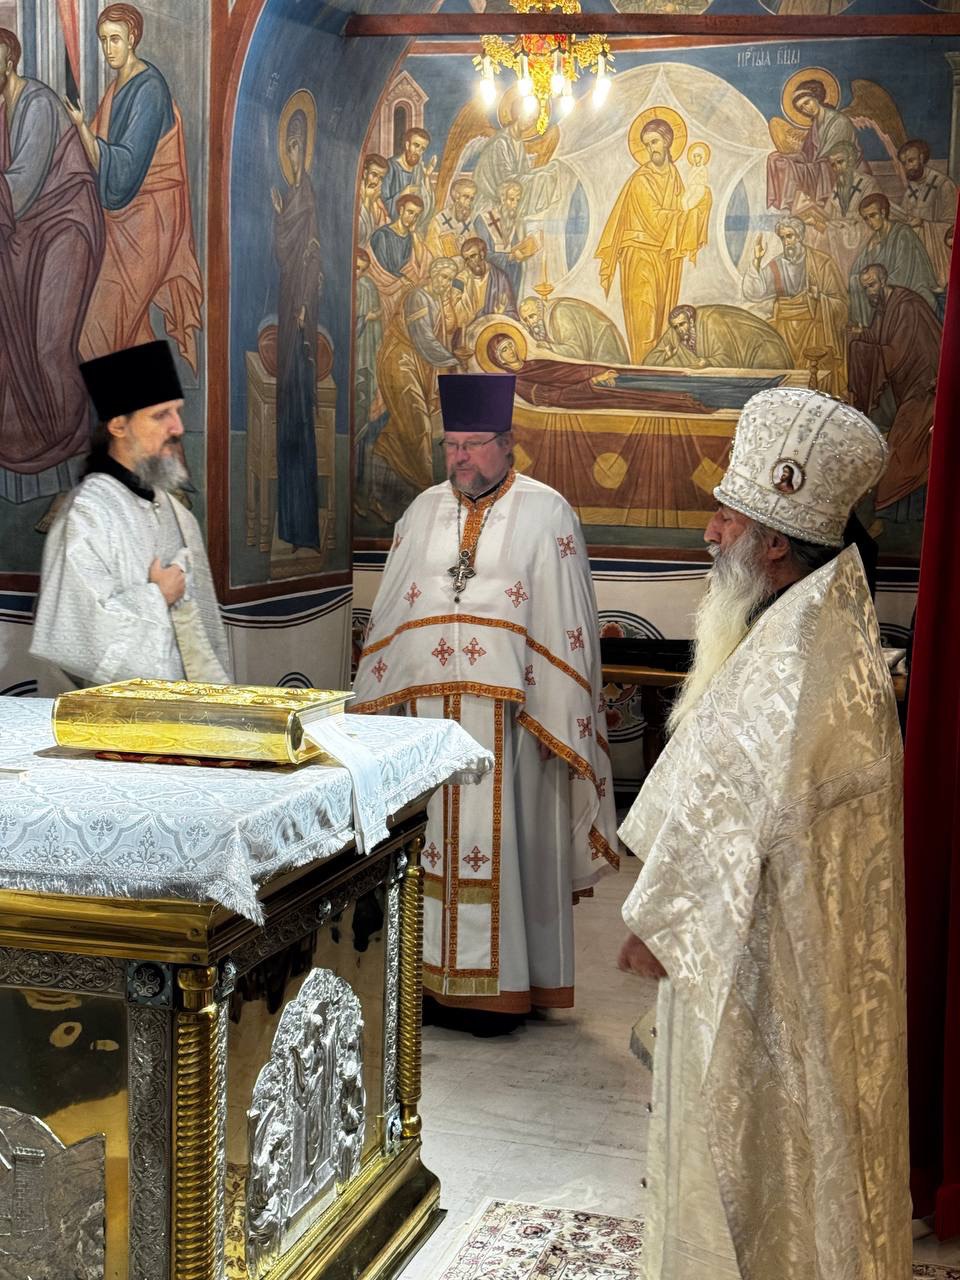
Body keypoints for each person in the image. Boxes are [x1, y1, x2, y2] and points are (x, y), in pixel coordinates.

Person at [617, 386, 910, 1279]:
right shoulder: (826, 621)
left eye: (726, 516)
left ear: (773, 540)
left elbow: (739, 806)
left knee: (755, 1166)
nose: (711, 533)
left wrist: (658, 923)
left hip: (760, 970)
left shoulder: (790, 662)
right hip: (793, 947)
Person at [353, 373, 619, 1029]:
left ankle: (500, 991)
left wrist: (555, 707)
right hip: (426, 723)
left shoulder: (547, 513)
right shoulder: (421, 511)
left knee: (502, 845)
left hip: (512, 723)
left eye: (472, 445)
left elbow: (566, 621)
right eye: (451, 446)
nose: (460, 458)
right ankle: (425, 984)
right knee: (426, 845)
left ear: (507, 442)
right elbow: (393, 610)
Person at [31, 340, 232, 687]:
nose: (178, 428)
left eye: (177, 412)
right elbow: (73, 635)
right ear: (118, 426)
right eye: (161, 415)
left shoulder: (174, 510)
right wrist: (158, 596)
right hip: (112, 714)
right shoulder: (87, 514)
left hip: (180, 707)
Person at [0, 26, 104, 504]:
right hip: (25, 236)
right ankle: (41, 470)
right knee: (12, 347)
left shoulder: (37, 104)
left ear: (10, 61)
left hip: (64, 230)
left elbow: (20, 187)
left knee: (49, 347)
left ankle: (80, 471)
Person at [72, 3, 202, 374]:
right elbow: (97, 160)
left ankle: (132, 407)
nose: (108, 48)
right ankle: (152, 410)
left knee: (100, 327)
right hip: (122, 220)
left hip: (149, 221)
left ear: (133, 39)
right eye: (103, 40)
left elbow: (125, 171)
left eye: (115, 39)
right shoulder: (116, 89)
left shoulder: (149, 88)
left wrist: (83, 131)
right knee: (126, 328)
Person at [597, 117, 707, 362]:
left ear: (667, 141)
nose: (651, 149)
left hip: (664, 257)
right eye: (647, 144)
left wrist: (700, 206)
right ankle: (642, 365)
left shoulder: (675, 176)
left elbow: (682, 208)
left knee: (663, 320)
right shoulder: (641, 179)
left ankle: (658, 366)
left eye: (655, 142)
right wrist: (690, 216)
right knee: (645, 318)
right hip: (640, 256)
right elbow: (656, 220)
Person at [848, 262, 942, 515]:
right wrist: (859, 336)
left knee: (903, 448)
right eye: (865, 288)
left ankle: (890, 513)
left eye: (872, 285)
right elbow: (879, 338)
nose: (869, 292)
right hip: (910, 386)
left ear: (884, 280)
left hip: (926, 389)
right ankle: (899, 514)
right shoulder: (884, 307)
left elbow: (896, 354)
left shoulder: (906, 306)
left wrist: (861, 350)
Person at [272, 106, 323, 551]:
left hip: (299, 311)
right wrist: (278, 214)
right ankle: (289, 525)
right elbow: (284, 253)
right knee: (287, 413)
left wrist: (305, 304)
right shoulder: (291, 194)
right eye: (288, 146)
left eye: (296, 146)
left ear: (304, 150)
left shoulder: (305, 195)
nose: (291, 153)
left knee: (298, 414)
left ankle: (302, 526)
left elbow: (310, 255)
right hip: (288, 304)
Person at [742, 216, 847, 393]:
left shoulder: (822, 263)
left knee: (817, 383)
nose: (786, 242)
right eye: (782, 238)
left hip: (814, 332)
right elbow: (754, 293)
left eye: (789, 236)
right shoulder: (776, 265)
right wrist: (757, 261)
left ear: (800, 236)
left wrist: (819, 297)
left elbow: (842, 305)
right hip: (785, 332)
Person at [766, 77, 862, 213]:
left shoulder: (839, 121)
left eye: (807, 102)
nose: (806, 108)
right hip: (819, 167)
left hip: (836, 168)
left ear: (816, 98)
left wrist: (806, 164)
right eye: (801, 108)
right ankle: (787, 209)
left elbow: (830, 155)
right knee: (778, 161)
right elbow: (807, 155)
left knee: (816, 168)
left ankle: (805, 207)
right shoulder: (815, 126)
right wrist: (787, 157)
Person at [849, 192, 938, 324]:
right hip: (882, 292)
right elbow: (857, 270)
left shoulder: (903, 233)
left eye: (873, 215)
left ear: (883, 212)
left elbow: (903, 274)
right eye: (866, 218)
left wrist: (875, 286)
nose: (869, 222)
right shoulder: (873, 241)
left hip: (910, 296)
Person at [643, 303, 792, 370]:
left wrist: (708, 362)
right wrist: (665, 355)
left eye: (682, 324)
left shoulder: (712, 322)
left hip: (763, 349)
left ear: (691, 321)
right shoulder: (675, 332)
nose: (679, 330)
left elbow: (728, 359)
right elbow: (647, 363)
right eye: (676, 326)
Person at [897, 138, 957, 290]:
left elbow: (953, 227)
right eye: (904, 163)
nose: (907, 167)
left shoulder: (943, 184)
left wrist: (924, 224)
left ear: (922, 158)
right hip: (913, 250)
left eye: (911, 161)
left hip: (936, 254)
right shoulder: (911, 188)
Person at [518, 294, 629, 365]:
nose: (531, 323)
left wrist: (550, 347)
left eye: (532, 316)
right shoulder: (547, 316)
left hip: (606, 353)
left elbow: (577, 352)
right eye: (526, 320)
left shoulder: (560, 312)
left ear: (541, 308)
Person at [454, 236, 517, 324]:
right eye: (467, 259)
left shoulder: (500, 278)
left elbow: (511, 312)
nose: (470, 262)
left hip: (493, 327)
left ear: (482, 254)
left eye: (473, 256)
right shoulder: (461, 279)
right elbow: (455, 316)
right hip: (469, 328)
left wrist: (499, 315)